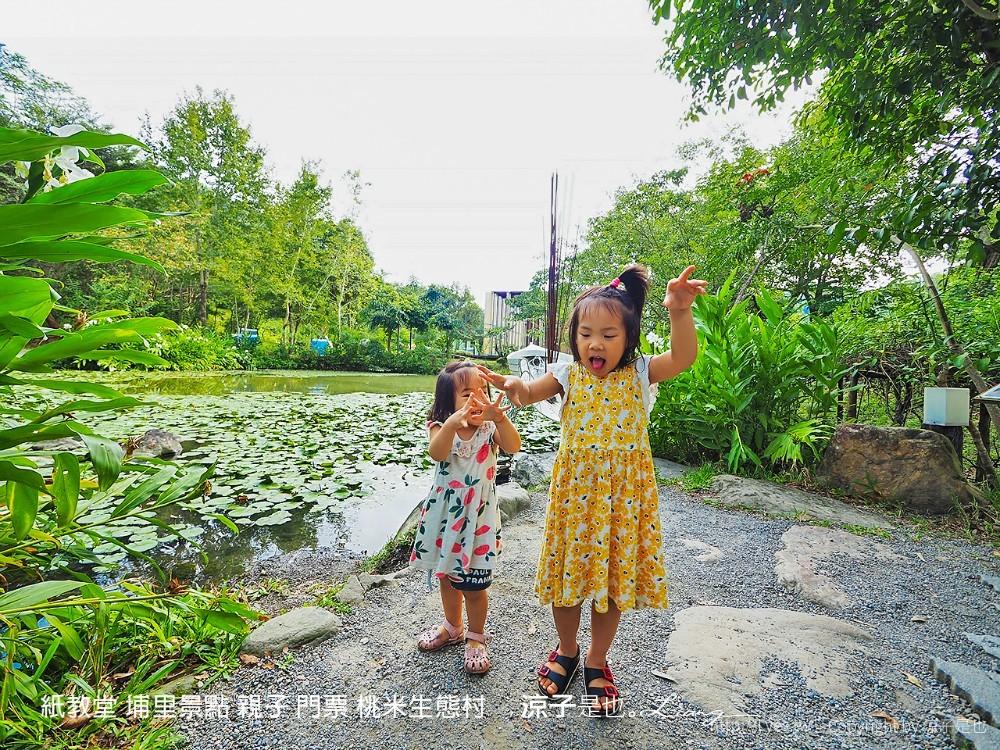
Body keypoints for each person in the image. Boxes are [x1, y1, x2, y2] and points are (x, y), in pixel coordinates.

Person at [479, 264, 707, 715]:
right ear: (574, 338)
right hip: (574, 499)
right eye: (585, 334)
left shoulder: (641, 373)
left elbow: (683, 358)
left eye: (608, 334)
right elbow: (528, 392)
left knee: (610, 583)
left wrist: (680, 311)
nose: (595, 344)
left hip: (623, 500)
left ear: (628, 338)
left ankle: (598, 660)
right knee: (568, 582)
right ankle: (567, 650)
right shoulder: (568, 375)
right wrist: (511, 388)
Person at [410, 361, 522, 674]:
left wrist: (499, 418)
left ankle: (475, 635)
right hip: (448, 515)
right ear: (448, 404)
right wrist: (450, 424)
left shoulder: (491, 427)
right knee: (447, 576)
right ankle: (452, 626)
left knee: (474, 585)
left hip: (479, 517)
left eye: (482, 391)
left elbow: (514, 446)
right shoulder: (440, 425)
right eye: (466, 395)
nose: (477, 399)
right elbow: (437, 452)